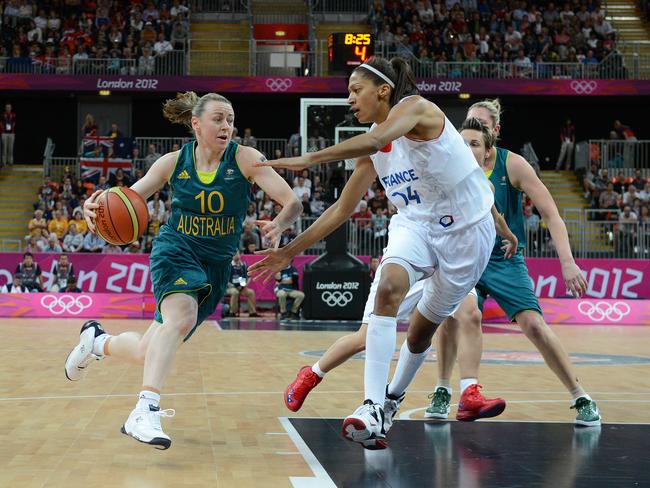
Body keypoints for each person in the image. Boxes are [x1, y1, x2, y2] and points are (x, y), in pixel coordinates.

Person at [249, 56, 496, 449]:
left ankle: (392, 400)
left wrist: (310, 158)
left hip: (467, 235)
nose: (349, 98)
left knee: (420, 332)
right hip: (415, 224)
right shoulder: (374, 145)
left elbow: (375, 140)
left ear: (383, 90)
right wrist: (289, 251)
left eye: (355, 89)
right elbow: (342, 209)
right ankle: (371, 405)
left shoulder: (417, 108)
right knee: (388, 289)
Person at [64, 91, 302, 449]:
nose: (227, 126)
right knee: (181, 316)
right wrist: (95, 205)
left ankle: (97, 341)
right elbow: (128, 199)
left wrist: (281, 223)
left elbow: (293, 202)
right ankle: (145, 409)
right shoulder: (173, 162)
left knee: (150, 350)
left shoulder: (246, 159)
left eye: (231, 120)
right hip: (176, 250)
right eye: (219, 119)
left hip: (216, 265)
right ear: (196, 124)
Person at [277, 117, 518, 423]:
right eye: (465, 141)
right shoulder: (423, 144)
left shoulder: (471, 180)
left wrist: (508, 234)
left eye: (476, 144)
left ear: (487, 153)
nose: (468, 147)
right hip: (416, 245)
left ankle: (464, 390)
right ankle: (313, 373)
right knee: (366, 336)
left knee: (467, 314)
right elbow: (347, 199)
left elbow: (490, 209)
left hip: (455, 248)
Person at [423, 99, 598, 427]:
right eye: (469, 126)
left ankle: (580, 395)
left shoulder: (512, 164)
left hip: (504, 259)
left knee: (534, 325)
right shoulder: (451, 165)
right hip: (462, 256)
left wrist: (568, 262)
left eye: (481, 127)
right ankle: (448, 389)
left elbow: (551, 214)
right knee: (459, 315)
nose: (472, 132)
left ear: (495, 132)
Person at [224, 251, 258, 317]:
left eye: (237, 253)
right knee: (235, 292)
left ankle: (252, 312)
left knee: (251, 292)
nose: (236, 255)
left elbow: (249, 277)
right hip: (231, 287)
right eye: (234, 254)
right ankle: (232, 312)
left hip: (242, 287)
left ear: (240, 255)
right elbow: (225, 279)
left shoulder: (244, 265)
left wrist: (245, 285)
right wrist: (233, 286)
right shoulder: (228, 265)